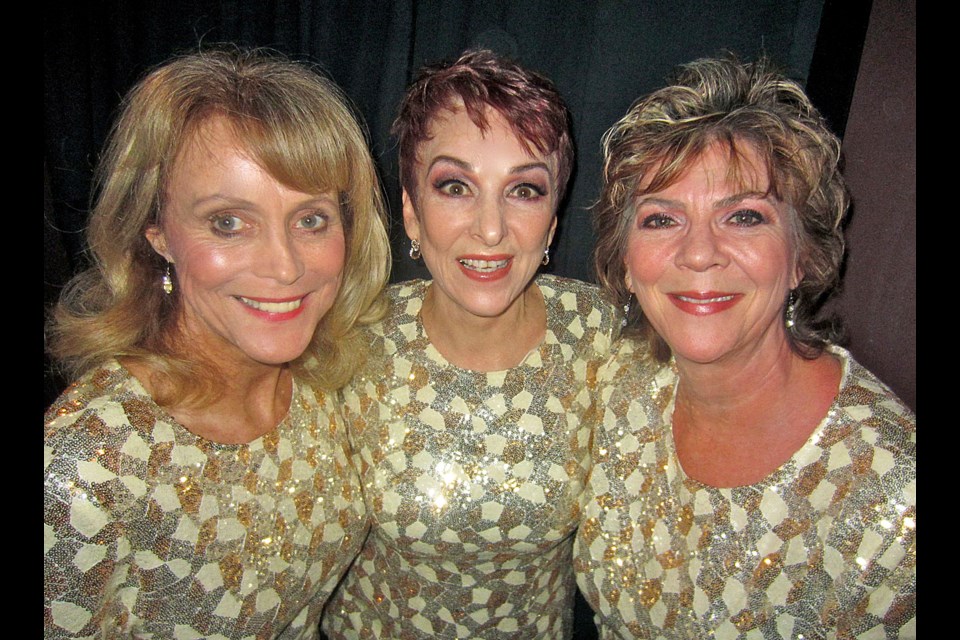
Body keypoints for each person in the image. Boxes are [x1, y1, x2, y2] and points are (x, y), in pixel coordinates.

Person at [43, 48, 390, 639]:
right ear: (156, 232)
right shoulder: (84, 462)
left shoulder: (318, 385)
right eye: (228, 222)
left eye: (311, 220)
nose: (284, 268)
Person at [574, 56, 916, 638]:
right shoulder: (620, 386)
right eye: (661, 219)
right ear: (626, 264)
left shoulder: (894, 493)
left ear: (802, 255)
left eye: (743, 216)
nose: (699, 252)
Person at [322, 49, 618, 638]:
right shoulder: (353, 338)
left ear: (554, 221)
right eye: (455, 186)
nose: (490, 228)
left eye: (525, 190)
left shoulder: (600, 335)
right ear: (410, 212)